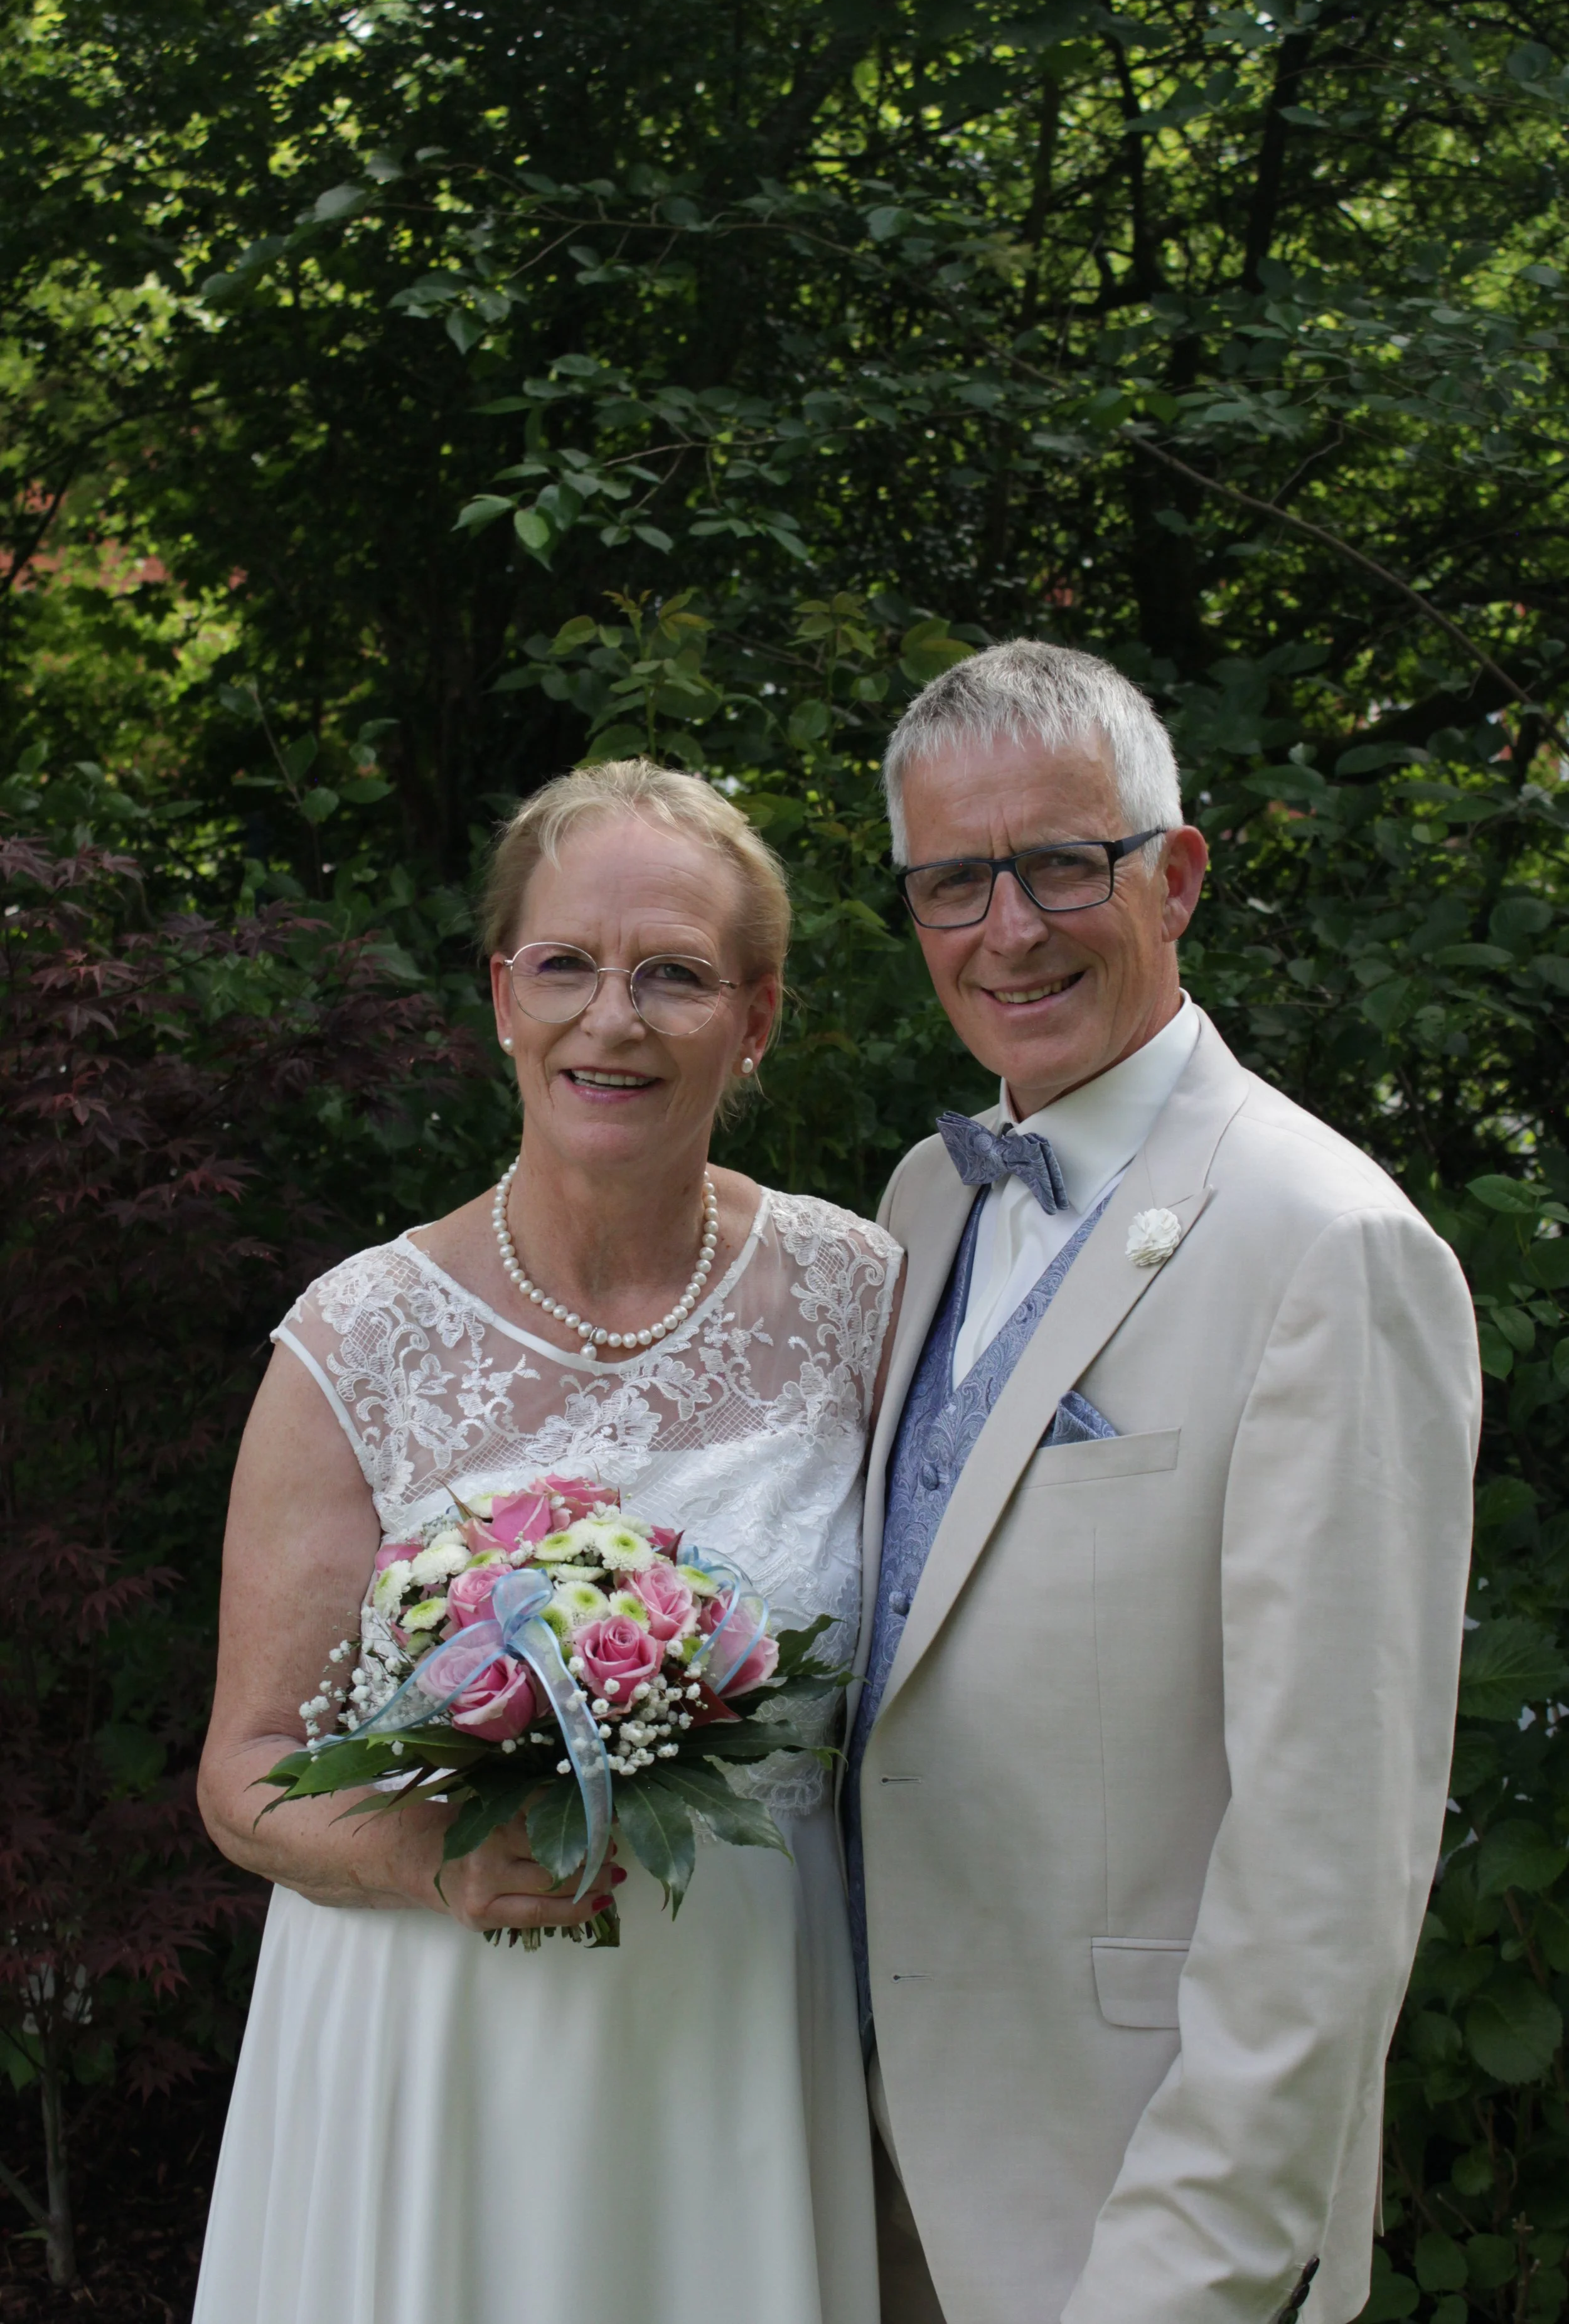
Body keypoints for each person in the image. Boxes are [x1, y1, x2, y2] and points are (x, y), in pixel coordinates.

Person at [196, 759, 902, 2324]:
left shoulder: (864, 1298)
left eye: (673, 976)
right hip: (434, 2041)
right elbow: (244, 1778)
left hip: (739, 2036)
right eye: (566, 965)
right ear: (502, 995)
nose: (613, 1018)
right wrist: (426, 1860)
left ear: (757, 1018)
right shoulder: (358, 1338)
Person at [843, 641, 1481, 2324]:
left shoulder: (1322, 1242)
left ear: (1174, 874)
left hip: (1123, 2219)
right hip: (864, 2182)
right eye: (953, 881)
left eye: (1064, 862)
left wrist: (1181, 2277)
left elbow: (1326, 1870)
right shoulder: (922, 1196)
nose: (1011, 926)